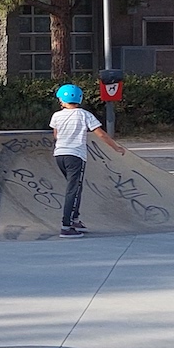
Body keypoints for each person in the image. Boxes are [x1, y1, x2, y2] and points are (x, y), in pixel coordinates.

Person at [50, 82, 125, 237]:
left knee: (76, 187)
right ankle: (66, 225)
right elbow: (101, 134)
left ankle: (75, 219)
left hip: (59, 155)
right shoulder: (84, 115)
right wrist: (116, 147)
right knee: (73, 189)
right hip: (75, 156)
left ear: (62, 101)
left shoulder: (56, 115)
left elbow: (56, 135)